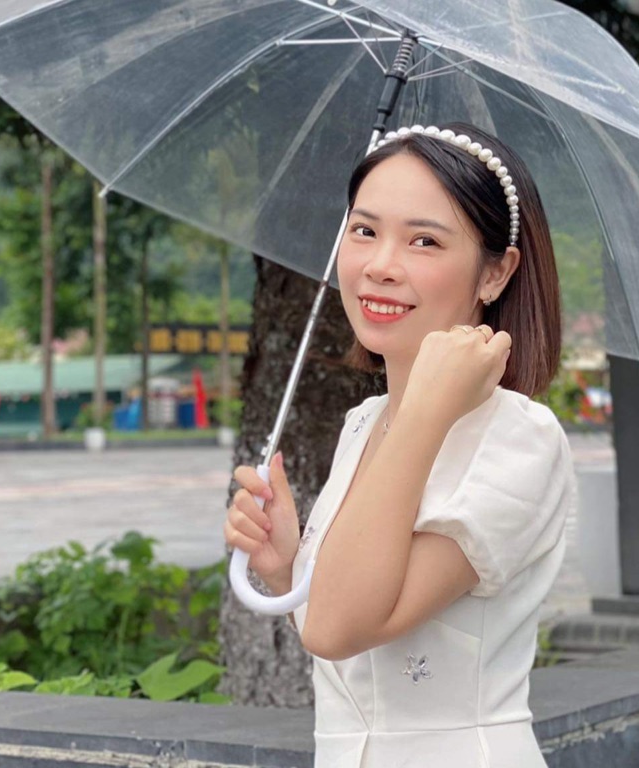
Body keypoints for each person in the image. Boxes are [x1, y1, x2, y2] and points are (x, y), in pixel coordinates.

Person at [223, 122, 578, 768]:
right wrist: (287, 567)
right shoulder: (366, 422)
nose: (380, 266)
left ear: (495, 273)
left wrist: (422, 415)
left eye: (424, 240)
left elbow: (336, 628)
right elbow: (355, 649)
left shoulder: (520, 440)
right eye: (364, 230)